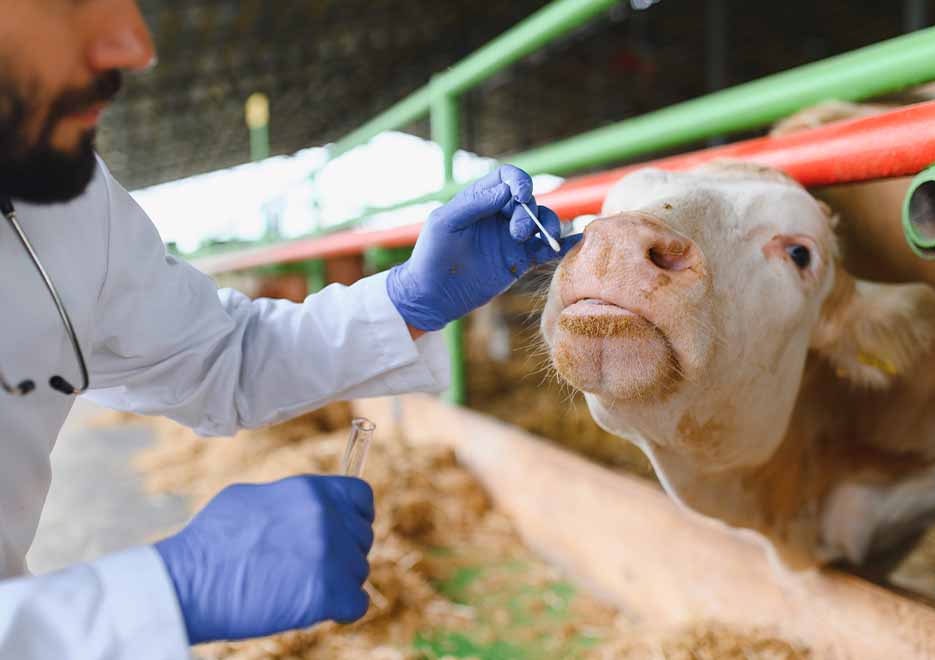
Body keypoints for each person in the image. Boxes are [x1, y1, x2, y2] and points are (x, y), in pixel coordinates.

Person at [0, 1, 580, 657]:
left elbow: (222, 357)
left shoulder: (63, 194)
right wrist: (160, 595)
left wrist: (405, 303)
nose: (136, 46)